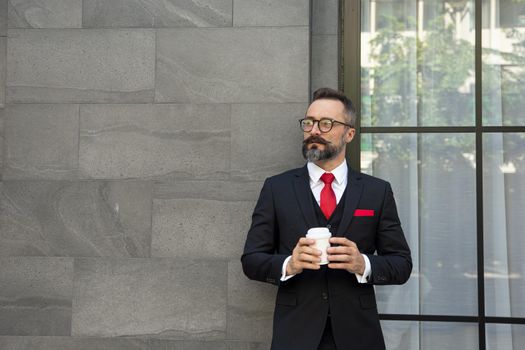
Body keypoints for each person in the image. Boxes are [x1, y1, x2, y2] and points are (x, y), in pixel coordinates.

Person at [241, 88, 412, 350]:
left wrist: (363, 264)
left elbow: (401, 264)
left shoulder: (377, 191)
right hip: (296, 335)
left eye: (326, 123)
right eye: (309, 122)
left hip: (359, 335)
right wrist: (289, 264)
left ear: (349, 133)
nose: (314, 130)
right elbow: (251, 260)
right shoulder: (277, 188)